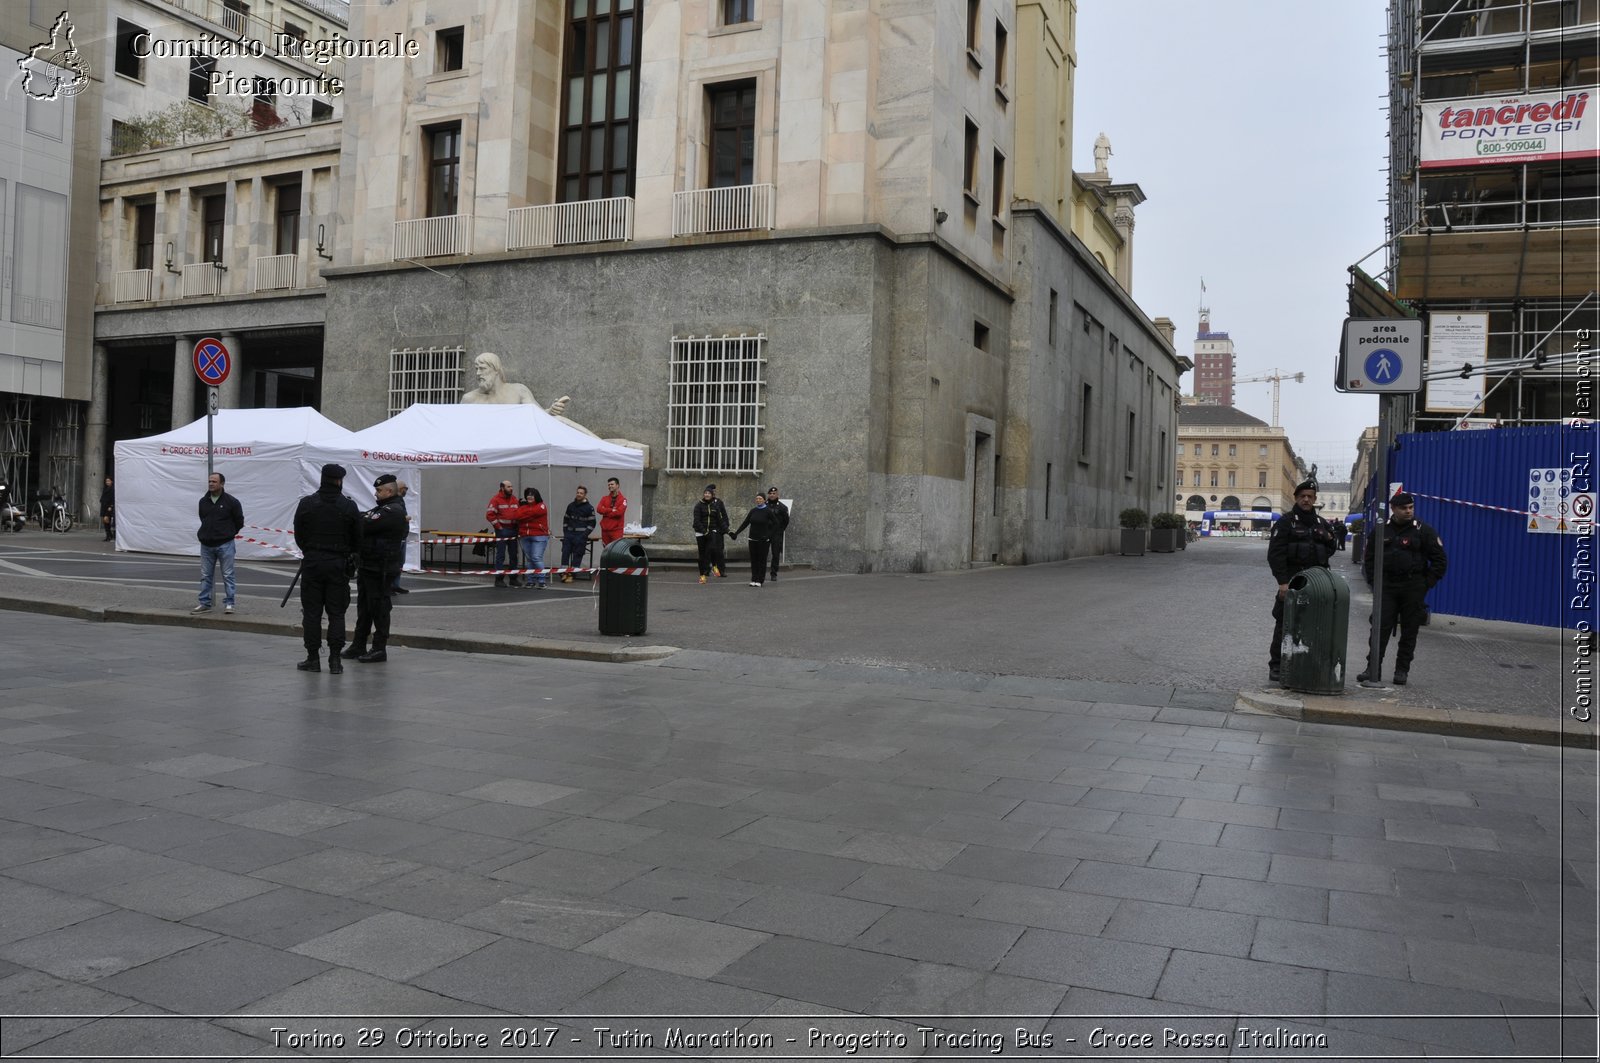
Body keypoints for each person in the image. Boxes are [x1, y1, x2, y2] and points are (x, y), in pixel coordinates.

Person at [1358, 492, 1448, 686]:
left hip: (1413, 588)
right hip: (1387, 587)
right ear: (1393, 509)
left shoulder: (1423, 531)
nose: (1408, 511)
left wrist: (1426, 584)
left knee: (1410, 631)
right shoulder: (1381, 530)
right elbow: (1370, 559)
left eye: (1411, 508)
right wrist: (1375, 583)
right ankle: (1372, 668)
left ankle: (1402, 670)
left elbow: (1440, 561)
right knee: (1379, 629)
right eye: (1404, 508)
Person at [1265, 479, 1337, 683]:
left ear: (1315, 499)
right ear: (1296, 498)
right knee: (1284, 623)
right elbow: (1275, 554)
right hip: (1292, 581)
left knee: (1314, 624)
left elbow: (1331, 548)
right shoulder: (1285, 522)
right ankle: (1277, 665)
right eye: (1303, 496)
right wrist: (1282, 582)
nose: (1306, 499)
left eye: (1310, 497)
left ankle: (1307, 662)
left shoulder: (1322, 524)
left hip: (1316, 583)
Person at [292, 463, 360, 672]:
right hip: (337, 564)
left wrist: (311, 551)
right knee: (336, 613)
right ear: (339, 481)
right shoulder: (348, 506)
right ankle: (335, 660)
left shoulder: (307, 503)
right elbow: (357, 538)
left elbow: (299, 534)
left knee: (312, 613)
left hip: (313, 563)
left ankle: (313, 658)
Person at [344, 473, 408, 664]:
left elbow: (363, 523)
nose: (376, 493)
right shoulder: (383, 508)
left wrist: (361, 517)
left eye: (379, 490)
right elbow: (365, 517)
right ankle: (358, 644)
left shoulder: (393, 510)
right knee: (364, 608)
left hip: (381, 567)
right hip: (369, 565)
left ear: (390, 490)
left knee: (379, 608)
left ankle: (379, 648)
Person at [195, 471, 244, 615]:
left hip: (225, 544)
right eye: (209, 481)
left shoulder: (232, 502)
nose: (211, 484)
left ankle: (229, 603)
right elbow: (203, 518)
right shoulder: (203, 501)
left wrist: (229, 533)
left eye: (214, 482)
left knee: (228, 574)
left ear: (222, 484)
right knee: (205, 575)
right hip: (206, 545)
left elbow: (239, 521)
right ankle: (205, 603)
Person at [460, 351, 570, 415]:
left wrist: (551, 411)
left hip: (514, 447)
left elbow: (538, 416)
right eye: (476, 369)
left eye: (482, 368)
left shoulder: (518, 391)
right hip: (482, 450)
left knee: (560, 420)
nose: (478, 373)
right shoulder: (469, 399)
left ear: (496, 370)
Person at [730, 492, 776, 587]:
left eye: (760, 498)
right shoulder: (753, 511)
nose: (758, 500)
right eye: (757, 499)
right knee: (754, 560)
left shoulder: (768, 511)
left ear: (764, 500)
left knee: (761, 560)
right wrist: (736, 533)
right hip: (752, 539)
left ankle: (760, 580)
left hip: (763, 540)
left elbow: (776, 524)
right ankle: (754, 578)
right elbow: (745, 523)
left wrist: (768, 536)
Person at [485, 480, 522, 587]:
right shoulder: (496, 499)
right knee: (500, 555)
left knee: (514, 555)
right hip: (502, 530)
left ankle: (513, 578)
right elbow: (489, 515)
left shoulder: (514, 499)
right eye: (508, 486)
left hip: (513, 530)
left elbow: (518, 513)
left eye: (511, 486)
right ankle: (499, 579)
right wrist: (499, 527)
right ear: (502, 488)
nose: (511, 488)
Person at [692, 485, 731, 584]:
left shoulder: (716, 506)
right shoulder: (698, 505)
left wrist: (728, 531)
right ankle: (702, 575)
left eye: (709, 493)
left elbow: (721, 520)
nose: (707, 494)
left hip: (712, 532)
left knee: (712, 550)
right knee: (702, 555)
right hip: (701, 533)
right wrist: (704, 532)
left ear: (712, 495)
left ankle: (714, 566)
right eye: (705, 493)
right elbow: (697, 521)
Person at [514, 487, 551, 588]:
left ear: (536, 496)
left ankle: (542, 580)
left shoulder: (542, 506)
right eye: (528, 495)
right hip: (525, 536)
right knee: (530, 559)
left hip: (539, 536)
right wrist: (524, 514)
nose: (529, 496)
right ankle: (531, 580)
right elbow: (516, 516)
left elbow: (530, 514)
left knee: (536, 558)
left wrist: (523, 515)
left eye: (532, 494)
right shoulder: (523, 508)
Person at [559, 485, 595, 582]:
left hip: (580, 536)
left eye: (581, 493)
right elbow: (565, 519)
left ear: (585, 495)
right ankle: (564, 572)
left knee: (577, 555)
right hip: (569, 534)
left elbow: (592, 523)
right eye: (578, 492)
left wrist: (584, 535)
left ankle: (571, 575)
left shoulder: (589, 508)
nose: (579, 494)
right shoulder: (570, 506)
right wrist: (565, 532)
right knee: (565, 553)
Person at [764, 486, 790, 581]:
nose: (772, 495)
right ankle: (761, 573)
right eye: (770, 493)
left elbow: (786, 521)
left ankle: (773, 573)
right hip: (765, 533)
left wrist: (780, 530)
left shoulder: (782, 507)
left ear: (777, 494)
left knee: (775, 554)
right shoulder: (764, 505)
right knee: (763, 554)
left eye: (774, 493)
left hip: (776, 534)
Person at [390, 480, 412, 594]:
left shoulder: (400, 501)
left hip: (402, 536)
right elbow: (395, 517)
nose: (406, 490)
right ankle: (390, 585)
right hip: (398, 537)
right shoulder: (395, 501)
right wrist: (405, 519)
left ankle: (395, 585)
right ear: (399, 488)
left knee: (399, 563)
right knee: (394, 562)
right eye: (405, 488)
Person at [596, 477, 627, 545]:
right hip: (605, 531)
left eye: (612, 484)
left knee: (616, 552)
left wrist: (605, 511)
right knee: (606, 552)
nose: (610, 486)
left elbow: (619, 513)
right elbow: (598, 509)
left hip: (616, 531)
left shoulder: (623, 499)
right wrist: (611, 510)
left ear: (617, 485)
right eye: (609, 485)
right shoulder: (604, 498)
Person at [100, 476, 115, 542]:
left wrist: (111, 506)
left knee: (106, 519)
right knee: (105, 521)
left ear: (111, 481)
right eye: (106, 481)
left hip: (109, 506)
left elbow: (112, 498)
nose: (107, 482)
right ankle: (108, 535)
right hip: (104, 506)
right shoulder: (105, 488)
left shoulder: (112, 489)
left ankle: (109, 535)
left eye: (109, 481)